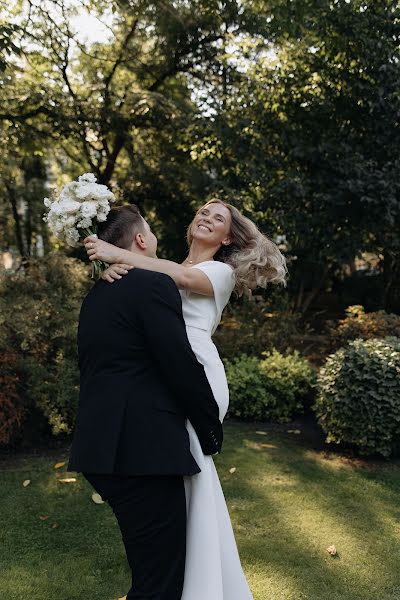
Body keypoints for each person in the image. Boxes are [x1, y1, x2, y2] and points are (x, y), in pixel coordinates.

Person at [84, 199, 287, 600]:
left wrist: (116, 254)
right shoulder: (163, 264)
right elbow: (152, 286)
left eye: (218, 218)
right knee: (181, 484)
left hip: (196, 374)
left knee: (185, 471)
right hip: (163, 376)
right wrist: (115, 269)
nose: (206, 218)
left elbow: (179, 278)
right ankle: (196, 578)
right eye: (203, 212)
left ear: (228, 236)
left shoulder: (219, 271)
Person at [68, 204, 224, 600]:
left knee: (149, 568)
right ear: (140, 240)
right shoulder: (151, 285)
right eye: (151, 230)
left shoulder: (99, 293)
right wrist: (210, 428)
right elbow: (178, 365)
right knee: (160, 582)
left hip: (101, 447)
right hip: (142, 452)